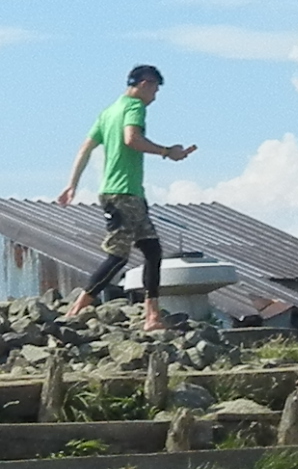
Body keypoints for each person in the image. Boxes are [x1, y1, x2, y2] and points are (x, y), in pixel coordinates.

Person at [56, 63, 197, 320]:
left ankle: (152, 316)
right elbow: (131, 139)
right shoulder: (134, 107)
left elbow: (84, 149)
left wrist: (72, 183)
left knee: (152, 250)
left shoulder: (108, 112)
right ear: (145, 84)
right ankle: (77, 310)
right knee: (118, 256)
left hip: (125, 193)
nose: (155, 96)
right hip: (123, 194)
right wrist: (168, 152)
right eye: (155, 89)